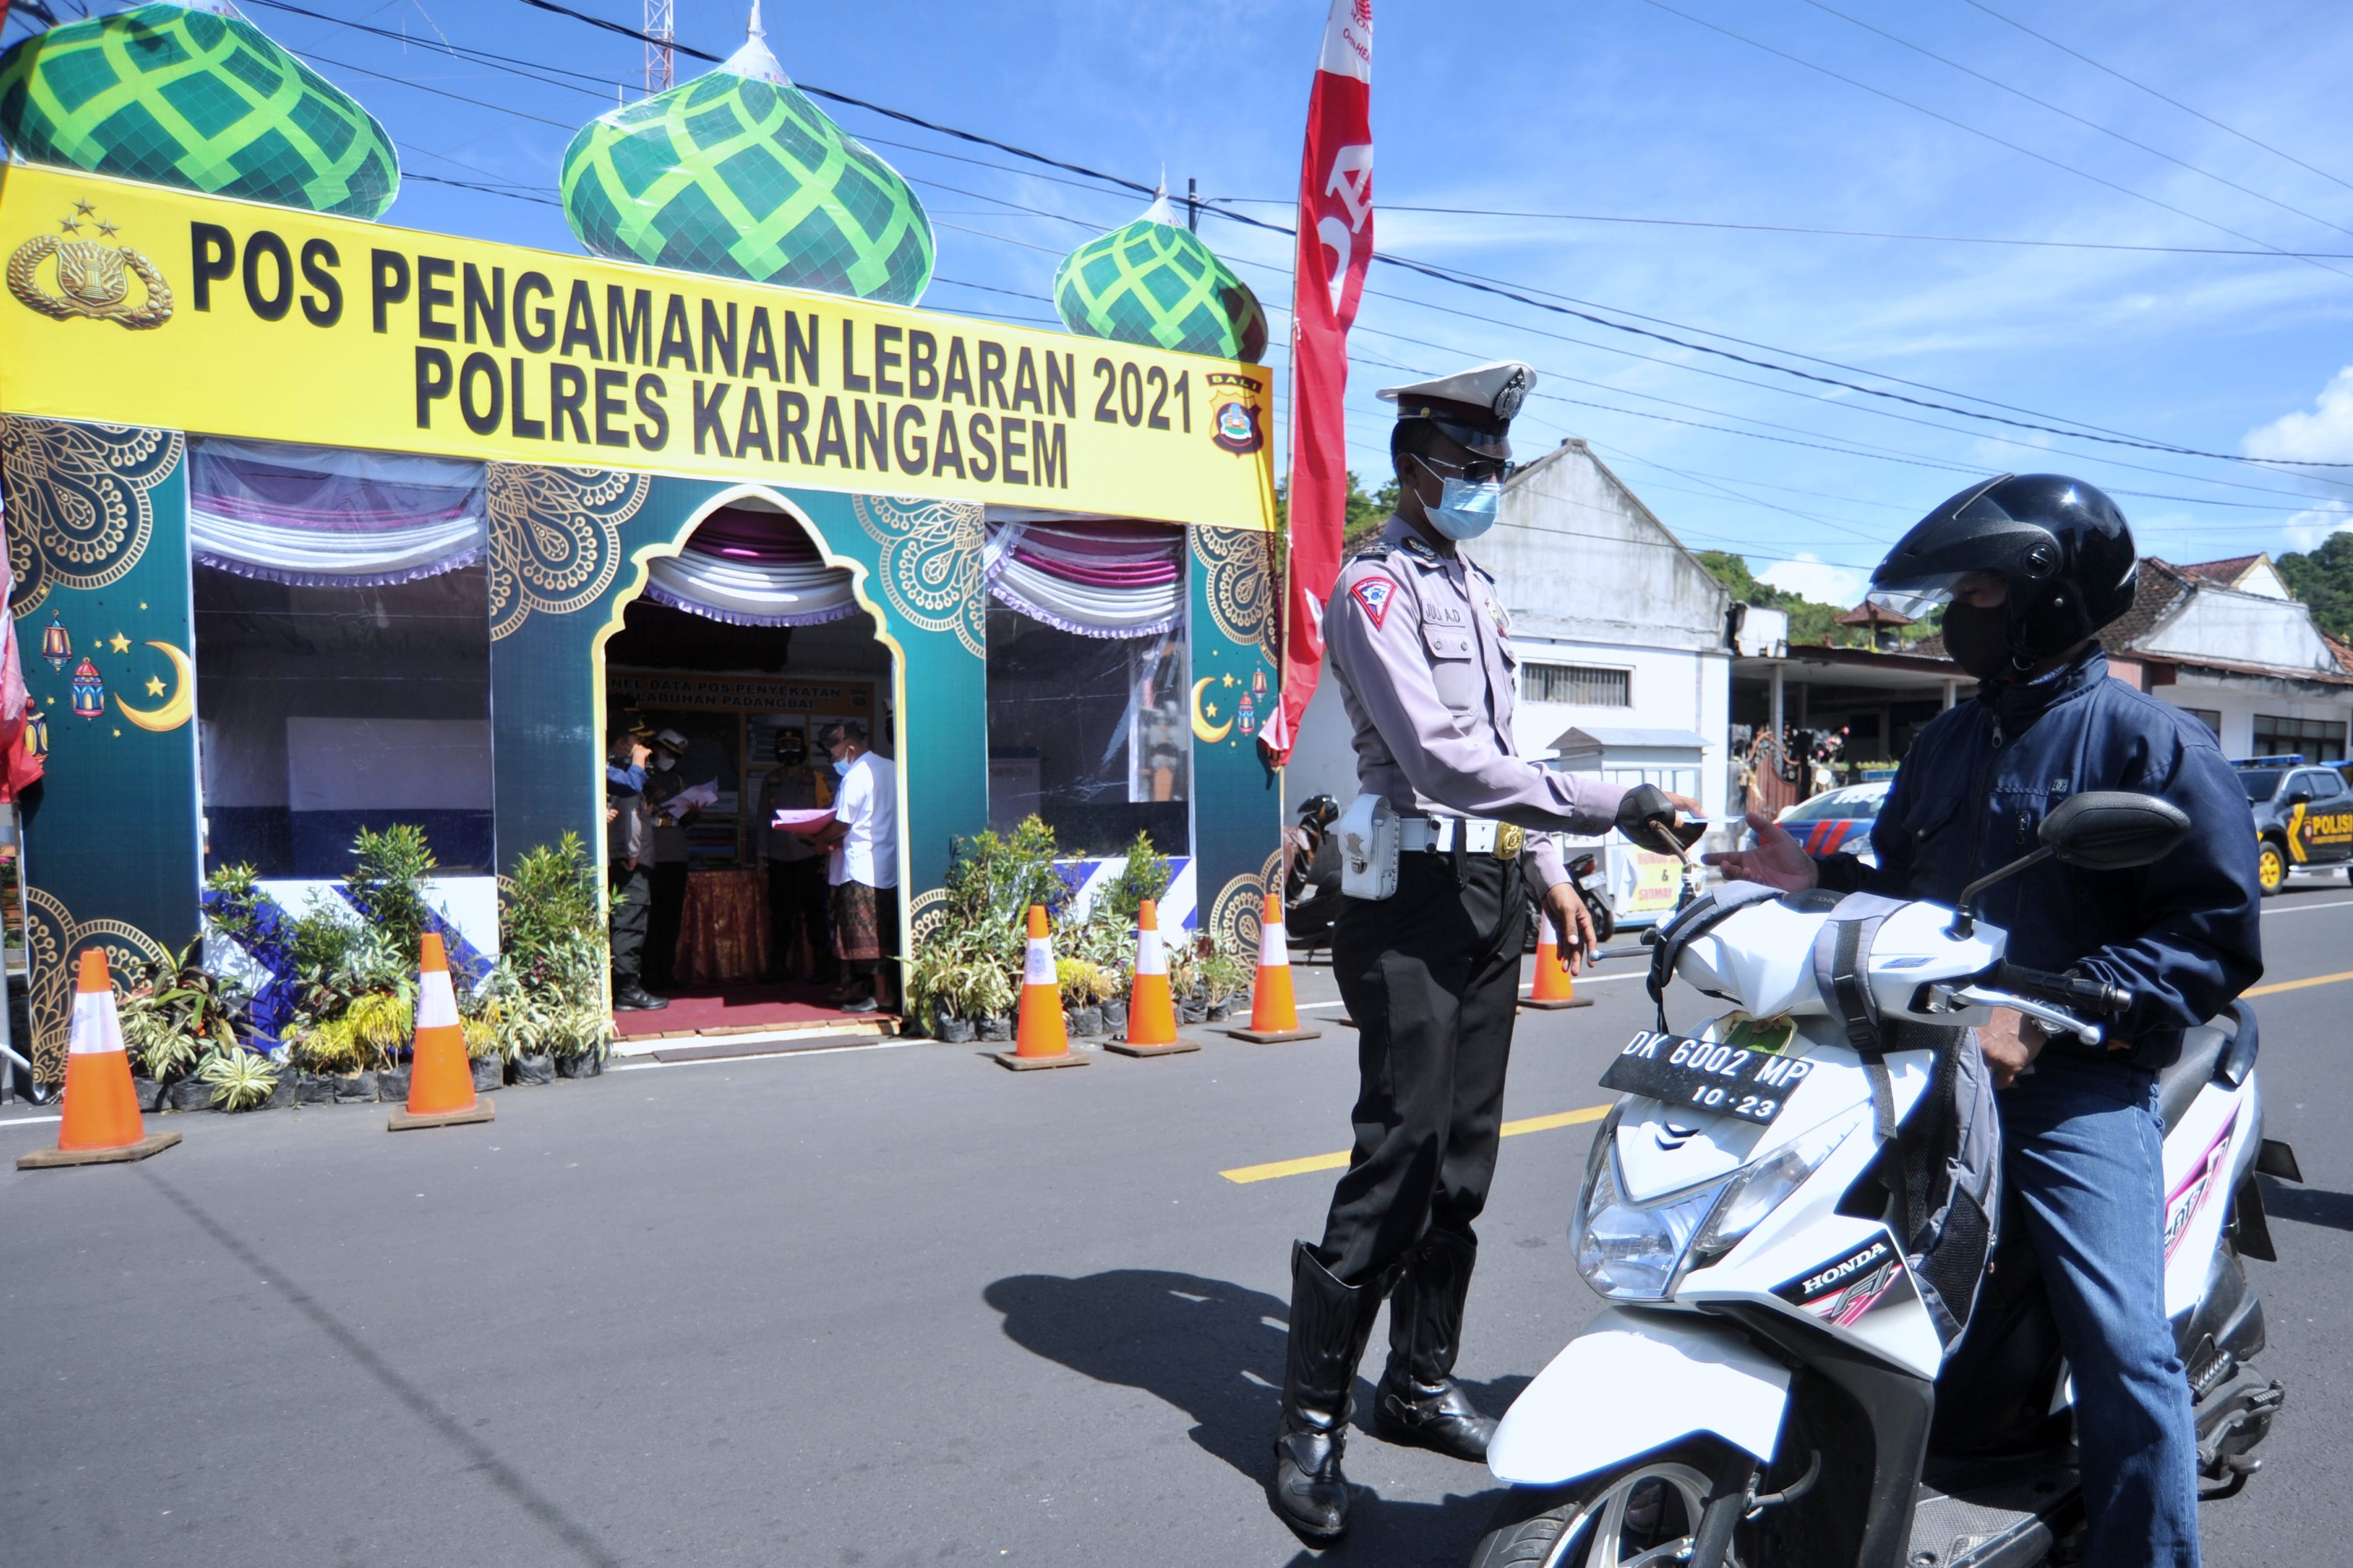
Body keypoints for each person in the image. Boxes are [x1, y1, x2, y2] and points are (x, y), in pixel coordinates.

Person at [1707, 474, 2262, 1568]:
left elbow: (2210, 934)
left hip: (2068, 1078)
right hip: (1922, 1054)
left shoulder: (2146, 744)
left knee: (2120, 1340)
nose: (1958, 611)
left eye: (1976, 588)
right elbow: (1912, 886)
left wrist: (2050, 1017)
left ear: (2046, 596)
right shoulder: (1946, 742)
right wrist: (1811, 869)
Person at [1268, 359, 1700, 1543]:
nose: (1485, 486)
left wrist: (1550, 870)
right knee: (1397, 1147)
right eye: (1467, 469)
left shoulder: (1474, 587)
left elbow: (1499, 757)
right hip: (1405, 891)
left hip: (1488, 885)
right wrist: (1609, 803)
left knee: (1462, 1158)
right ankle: (1305, 1422)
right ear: (1411, 466)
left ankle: (1415, 1379)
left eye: (1495, 469)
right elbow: (1446, 763)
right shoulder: (1375, 588)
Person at [791, 720, 900, 1016]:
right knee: (879, 932)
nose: (835, 762)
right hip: (887, 864)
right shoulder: (891, 768)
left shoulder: (856, 776)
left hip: (862, 868)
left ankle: (882, 995)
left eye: (836, 756)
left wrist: (815, 838)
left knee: (867, 935)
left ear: (850, 748)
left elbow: (843, 822)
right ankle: (862, 988)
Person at [756, 727, 833, 984]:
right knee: (781, 915)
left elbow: (828, 817)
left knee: (816, 913)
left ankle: (824, 968)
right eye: (784, 745)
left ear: (803, 748)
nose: (789, 750)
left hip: (809, 855)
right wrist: (761, 855)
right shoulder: (771, 780)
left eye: (794, 745)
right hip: (779, 858)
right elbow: (763, 819)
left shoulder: (816, 778)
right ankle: (778, 967)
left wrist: (827, 855)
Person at [604, 728, 665, 1012]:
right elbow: (629, 820)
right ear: (621, 744)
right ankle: (627, 989)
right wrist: (631, 853)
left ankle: (626, 985)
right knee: (631, 923)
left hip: (628, 858)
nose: (644, 749)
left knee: (629, 923)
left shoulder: (623, 773)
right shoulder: (625, 775)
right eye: (636, 743)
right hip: (629, 862)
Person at [642, 729, 693, 995]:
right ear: (656, 748)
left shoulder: (678, 779)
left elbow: (686, 819)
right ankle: (646, 976)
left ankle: (665, 972)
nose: (671, 758)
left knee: (671, 919)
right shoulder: (642, 775)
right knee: (649, 919)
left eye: (676, 755)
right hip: (650, 854)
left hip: (675, 853)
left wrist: (694, 810)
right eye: (668, 752)